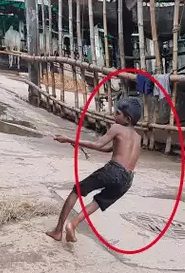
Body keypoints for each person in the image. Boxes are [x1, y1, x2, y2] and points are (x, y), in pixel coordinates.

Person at [46, 97, 142, 242]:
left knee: (76, 191)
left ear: (127, 119)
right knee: (98, 202)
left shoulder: (117, 128)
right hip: (128, 180)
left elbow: (98, 145)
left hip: (114, 171)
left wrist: (69, 139)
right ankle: (73, 224)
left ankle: (58, 231)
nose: (113, 117)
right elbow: (109, 149)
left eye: (117, 114)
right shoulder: (138, 137)